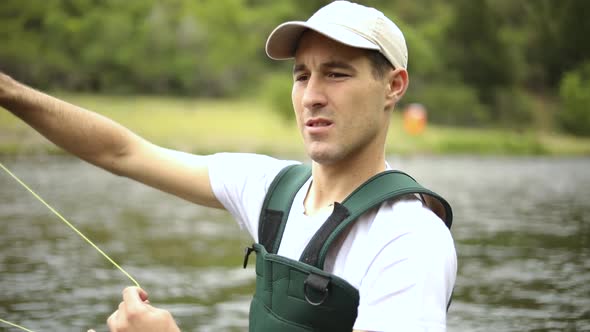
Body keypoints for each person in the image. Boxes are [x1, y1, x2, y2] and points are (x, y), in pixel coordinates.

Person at [0, 1, 456, 331]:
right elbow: (122, 153)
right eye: (301, 75)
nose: (312, 95)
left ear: (393, 86)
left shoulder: (410, 239)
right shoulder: (269, 189)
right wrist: (10, 94)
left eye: (337, 73)